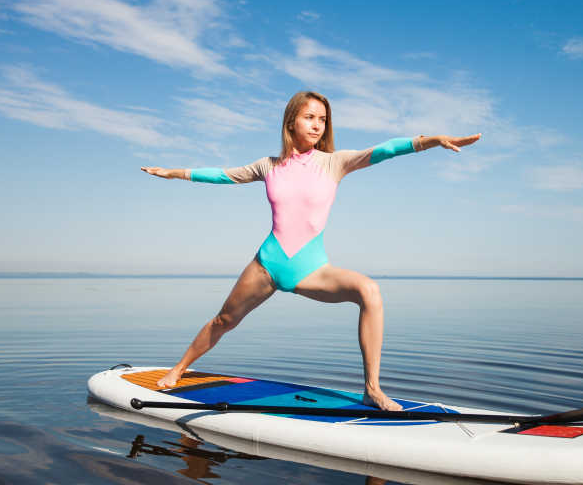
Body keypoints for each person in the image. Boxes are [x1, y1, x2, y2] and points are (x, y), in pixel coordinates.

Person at [141, 91, 480, 410]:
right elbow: (223, 175)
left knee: (369, 290)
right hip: (267, 263)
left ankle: (372, 389)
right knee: (224, 320)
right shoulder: (268, 165)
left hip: (311, 269)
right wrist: (175, 174)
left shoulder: (335, 163)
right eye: (309, 117)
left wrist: (432, 140)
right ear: (291, 122)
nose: (318, 125)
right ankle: (179, 369)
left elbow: (387, 149)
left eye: (323, 119)